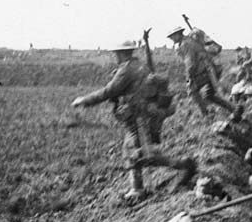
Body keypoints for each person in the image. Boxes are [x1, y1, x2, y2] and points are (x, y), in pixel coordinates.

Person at [71, 39, 196, 202]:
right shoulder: (139, 65)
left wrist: (85, 100)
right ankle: (139, 187)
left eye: (116, 53)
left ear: (121, 53)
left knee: (136, 151)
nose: (115, 56)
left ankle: (180, 166)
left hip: (138, 116)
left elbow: (109, 91)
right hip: (144, 115)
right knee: (135, 151)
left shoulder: (127, 70)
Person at [166, 26, 236, 117]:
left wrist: (189, 78)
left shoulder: (185, 44)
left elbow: (190, 63)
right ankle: (233, 108)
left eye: (173, 36)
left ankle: (206, 114)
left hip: (205, 72)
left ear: (178, 34)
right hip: (212, 69)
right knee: (208, 95)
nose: (171, 38)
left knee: (192, 91)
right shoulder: (190, 41)